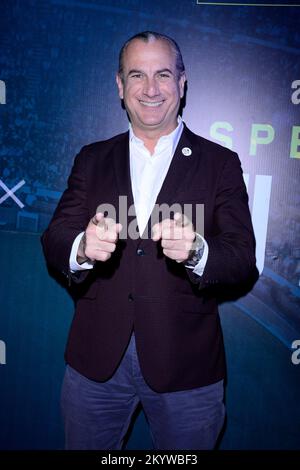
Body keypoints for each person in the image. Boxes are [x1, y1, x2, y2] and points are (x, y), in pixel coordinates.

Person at [41, 31, 258, 450]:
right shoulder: (92, 158)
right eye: (137, 75)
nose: (151, 89)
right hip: (94, 364)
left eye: (163, 74)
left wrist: (197, 251)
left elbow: (241, 259)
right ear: (120, 86)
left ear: (182, 82)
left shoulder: (221, 164)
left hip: (187, 370)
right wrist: (81, 249)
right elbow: (55, 238)